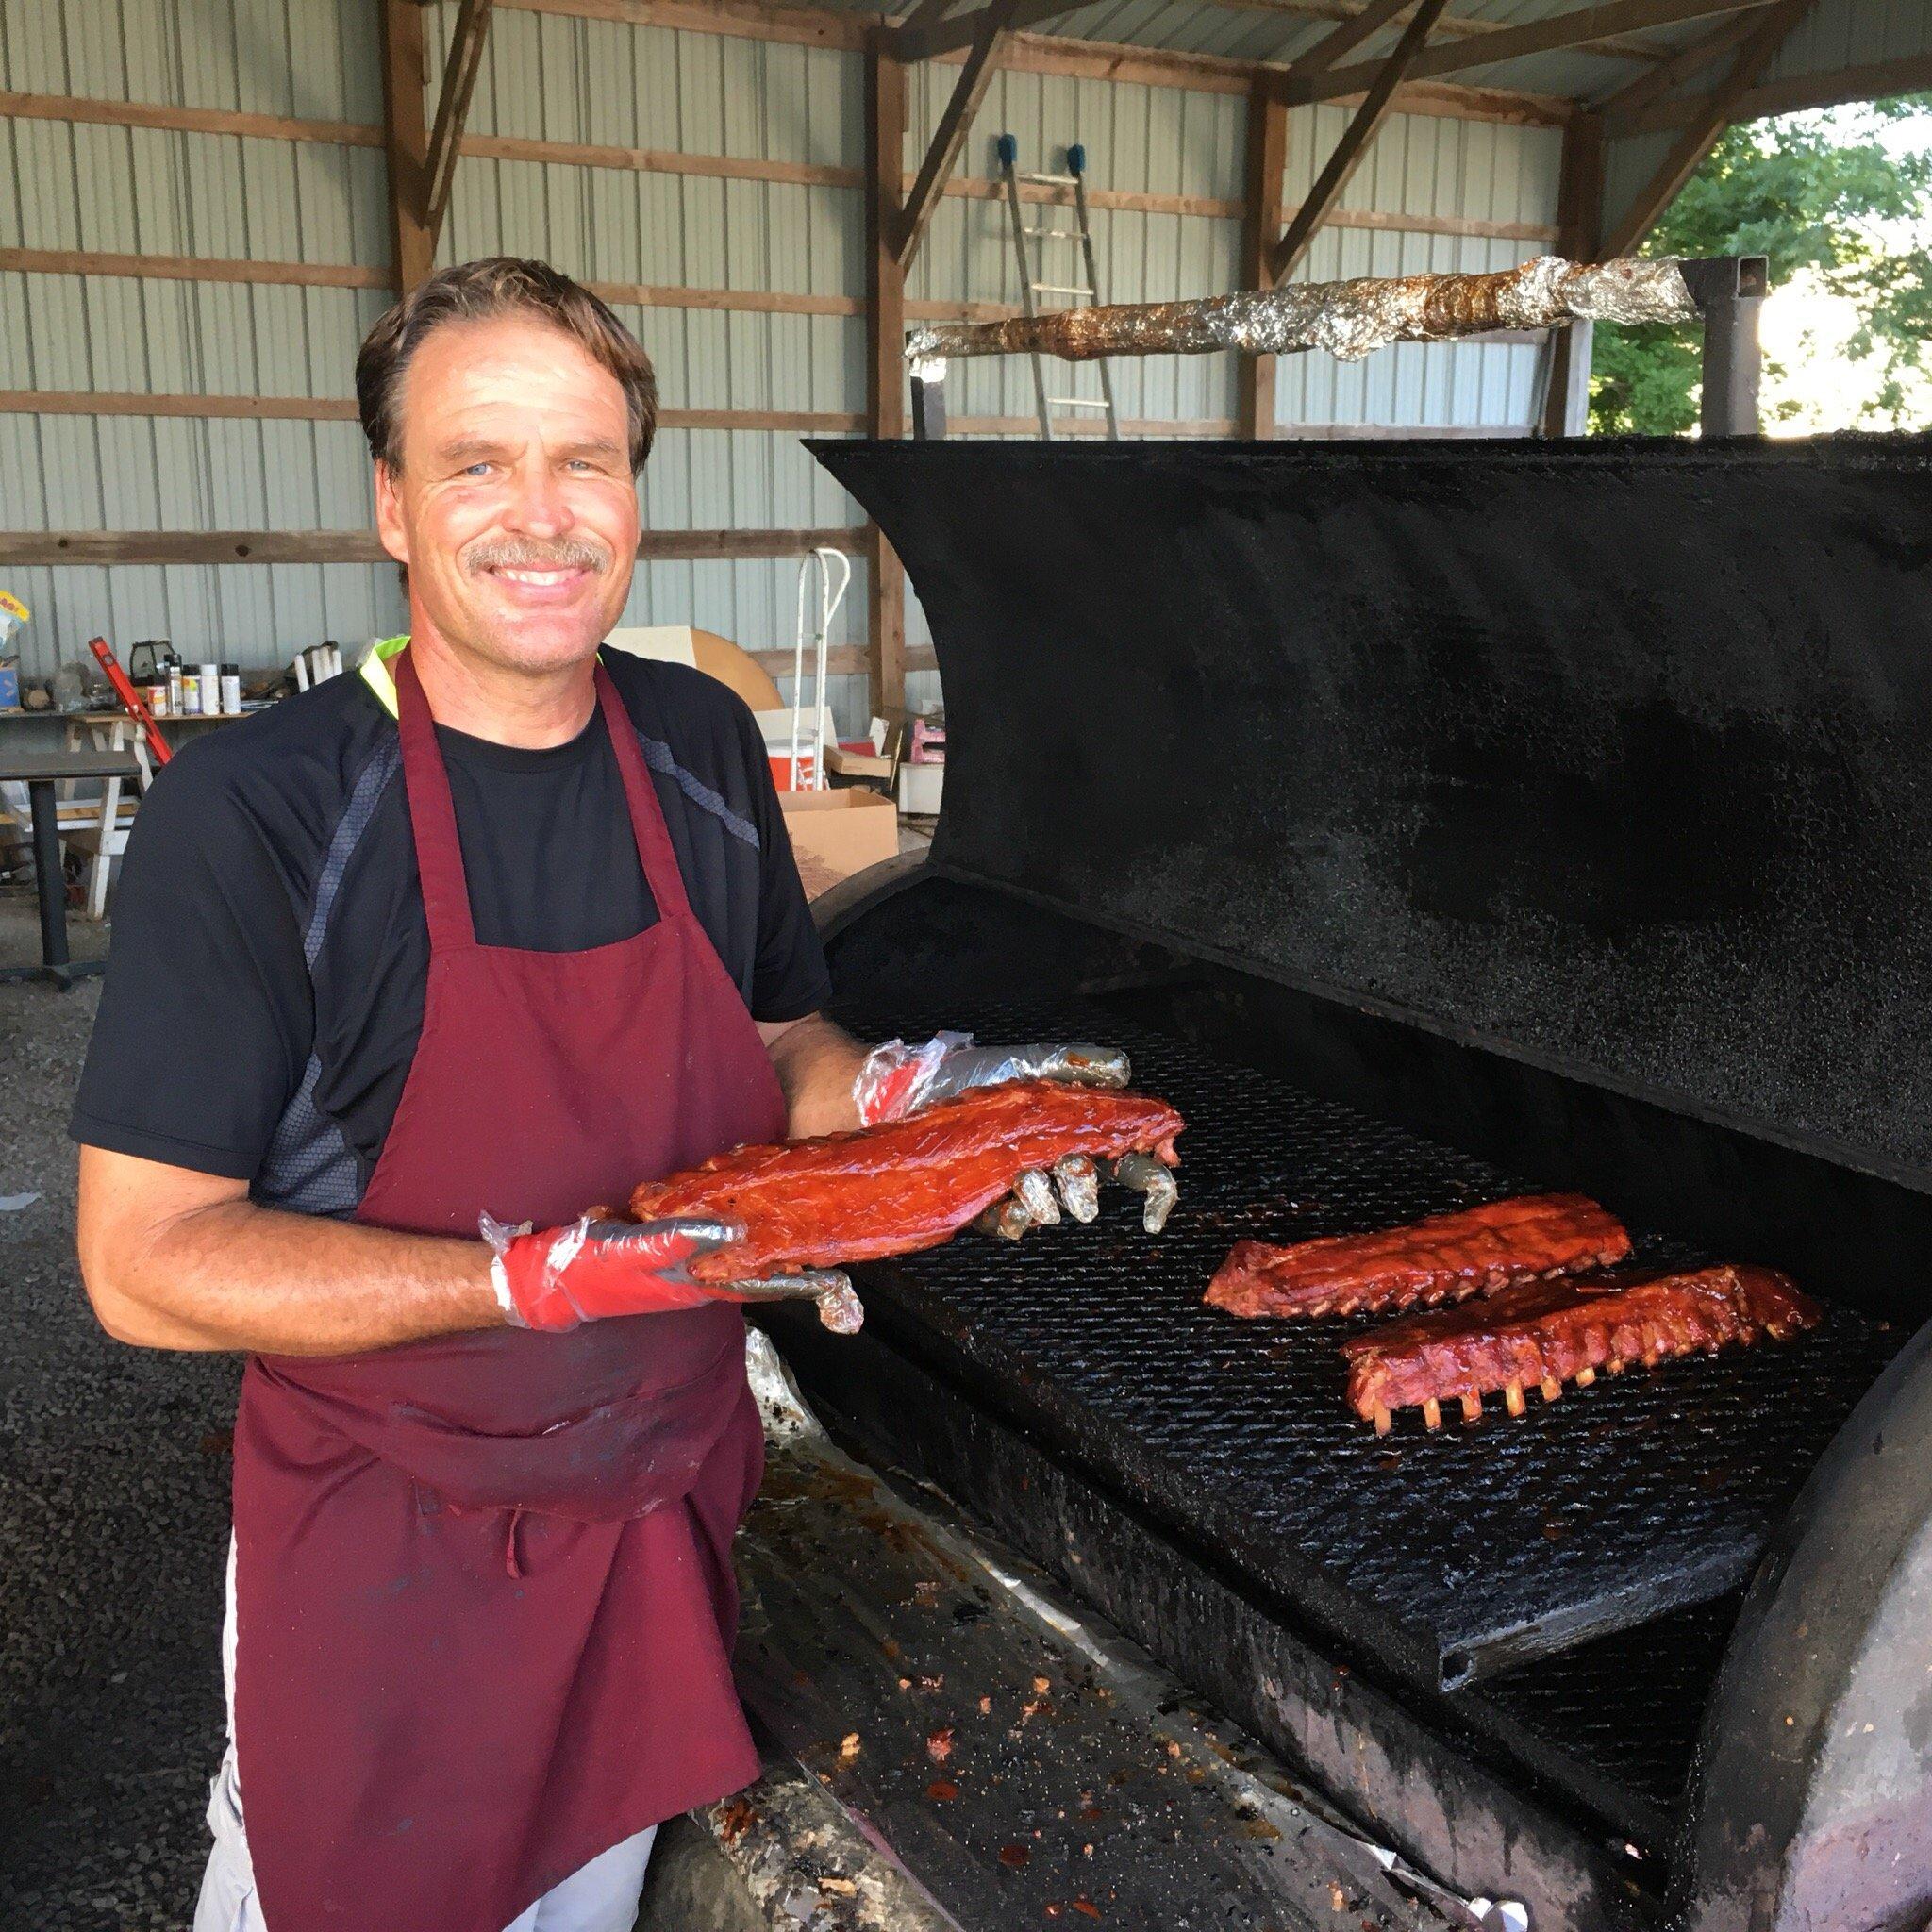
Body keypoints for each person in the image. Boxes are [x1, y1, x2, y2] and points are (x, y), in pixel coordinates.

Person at [70, 258, 1121, 1932]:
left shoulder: (699, 740)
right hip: (396, 1555)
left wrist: (932, 1096)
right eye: (476, 462)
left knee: (590, 1899)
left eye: (587, 461)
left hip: (661, 1507)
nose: (540, 515)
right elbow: (144, 1262)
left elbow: (782, 1052)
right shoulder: (257, 815)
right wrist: (524, 1278)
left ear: (635, 491)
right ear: (393, 505)